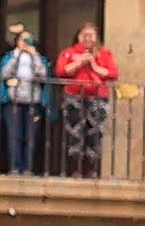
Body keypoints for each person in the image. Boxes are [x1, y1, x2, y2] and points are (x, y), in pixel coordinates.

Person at [50, 21, 118, 180]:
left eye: (91, 35)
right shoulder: (69, 52)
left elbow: (113, 74)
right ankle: (74, 169)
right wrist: (79, 62)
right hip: (74, 97)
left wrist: (93, 64)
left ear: (96, 37)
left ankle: (91, 170)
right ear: (78, 37)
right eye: (84, 35)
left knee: (95, 134)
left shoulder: (105, 54)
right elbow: (61, 71)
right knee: (73, 133)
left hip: (98, 98)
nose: (88, 38)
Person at [0, 25, 49, 176]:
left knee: (30, 136)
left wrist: (35, 57)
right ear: (17, 41)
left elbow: (43, 75)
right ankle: (14, 167)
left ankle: (28, 168)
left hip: (32, 101)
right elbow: (4, 73)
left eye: (29, 40)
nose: (26, 43)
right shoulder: (10, 57)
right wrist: (17, 56)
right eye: (23, 39)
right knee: (14, 135)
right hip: (13, 100)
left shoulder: (38, 58)